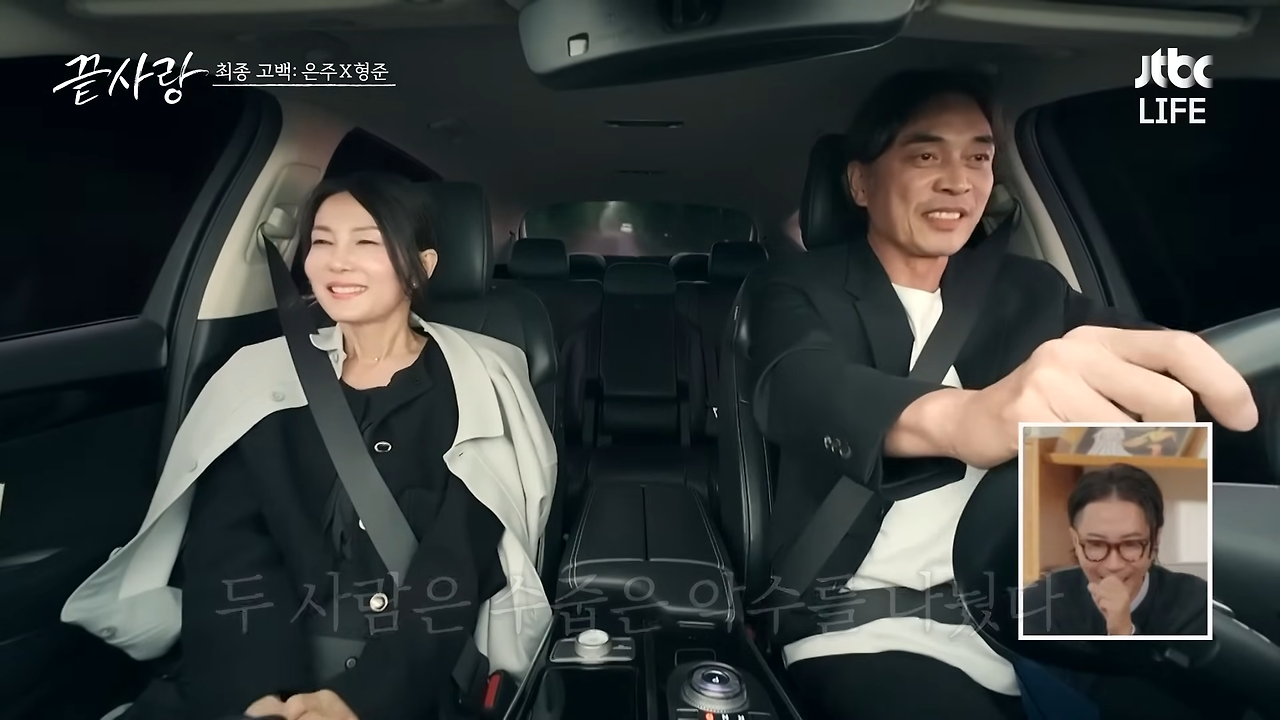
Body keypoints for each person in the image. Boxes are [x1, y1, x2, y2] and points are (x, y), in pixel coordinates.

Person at [745, 68, 1257, 719]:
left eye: (979, 158)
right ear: (860, 183)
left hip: (1045, 611)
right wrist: (963, 419)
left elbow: (1158, 356)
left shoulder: (1032, 289)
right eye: (926, 156)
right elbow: (798, 385)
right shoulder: (797, 288)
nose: (958, 181)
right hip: (866, 627)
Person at [60, 172, 557, 720]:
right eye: (322, 241)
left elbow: (456, 565)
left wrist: (361, 700)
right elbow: (229, 548)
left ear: (423, 265)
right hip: (249, 664)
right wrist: (257, 695)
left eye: (366, 242)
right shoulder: (257, 380)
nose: (338, 262)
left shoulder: (481, 383)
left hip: (409, 680)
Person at [1022, 463, 1209, 637]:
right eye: (1096, 544)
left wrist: (1123, 630)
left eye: (1131, 544)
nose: (1114, 565)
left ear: (1155, 539)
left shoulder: (1195, 605)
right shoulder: (1041, 603)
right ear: (1075, 540)